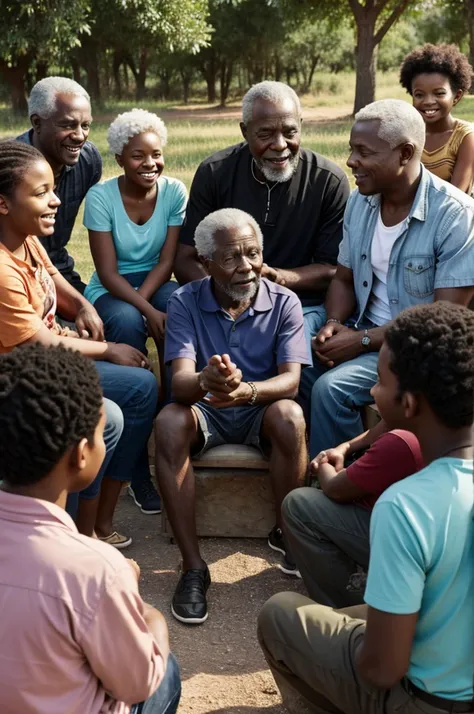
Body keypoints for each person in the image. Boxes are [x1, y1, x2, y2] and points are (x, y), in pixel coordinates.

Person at [259, 301, 474, 714]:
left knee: (281, 613)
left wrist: (363, 638)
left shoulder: (408, 505)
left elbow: (381, 670)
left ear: (408, 404)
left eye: (378, 381)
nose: (373, 392)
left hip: (427, 701)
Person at [0, 343, 181, 714]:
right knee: (166, 672)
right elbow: (136, 683)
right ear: (81, 454)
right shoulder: (98, 569)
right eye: (102, 434)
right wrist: (146, 611)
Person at [0, 140, 160, 547]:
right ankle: (69, 532)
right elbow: (38, 343)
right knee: (104, 417)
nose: (55, 201)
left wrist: (84, 305)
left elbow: (54, 278)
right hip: (17, 380)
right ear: (3, 204)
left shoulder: (26, 237)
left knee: (142, 387)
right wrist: (108, 350)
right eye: (40, 194)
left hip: (44, 365)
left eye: (53, 189)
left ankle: (100, 520)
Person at [155, 208, 309, 625]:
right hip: (206, 411)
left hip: (258, 409)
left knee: (290, 416)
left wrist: (248, 391)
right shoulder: (184, 300)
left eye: (253, 253)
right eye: (230, 258)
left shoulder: (285, 302)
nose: (246, 267)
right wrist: (208, 379)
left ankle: (289, 538)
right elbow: (180, 384)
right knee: (169, 421)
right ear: (205, 263)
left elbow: (291, 381)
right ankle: (192, 567)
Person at [303, 98, 474, 459]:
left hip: (415, 347)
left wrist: (362, 341)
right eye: (352, 149)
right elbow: (344, 279)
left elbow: (440, 322)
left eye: (363, 152)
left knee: (331, 389)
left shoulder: (454, 215)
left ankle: (344, 487)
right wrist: (334, 323)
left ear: (405, 153)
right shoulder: (360, 203)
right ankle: (297, 451)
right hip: (359, 323)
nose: (351, 161)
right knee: (296, 345)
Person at [174, 81, 350, 346]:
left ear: (301, 125)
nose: (280, 145)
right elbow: (186, 258)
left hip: (301, 304)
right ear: (245, 131)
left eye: (290, 132)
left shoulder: (328, 181)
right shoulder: (215, 173)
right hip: (222, 298)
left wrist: (278, 278)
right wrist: (228, 295)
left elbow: (333, 270)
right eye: (265, 134)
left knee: (296, 354)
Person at [282, 420, 423, 607]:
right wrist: (345, 447)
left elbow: (335, 488)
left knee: (299, 505)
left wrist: (324, 462)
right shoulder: (429, 424)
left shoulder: (402, 441)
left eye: (381, 388)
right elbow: (377, 430)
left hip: (404, 550)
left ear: (407, 402)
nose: (372, 392)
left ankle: (347, 608)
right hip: (417, 539)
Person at [84, 109, 187, 358]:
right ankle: (141, 387)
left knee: (179, 303)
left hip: (157, 279)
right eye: (138, 156)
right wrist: (146, 310)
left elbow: (167, 261)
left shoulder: (174, 192)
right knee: (126, 319)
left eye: (156, 154)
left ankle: (176, 387)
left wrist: (144, 300)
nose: (150, 164)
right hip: (111, 288)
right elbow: (108, 273)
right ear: (120, 159)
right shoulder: (100, 197)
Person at [17, 76, 102, 297]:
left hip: (60, 273)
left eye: (85, 125)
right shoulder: (8, 168)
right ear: (37, 123)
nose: (79, 136)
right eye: (68, 125)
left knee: (111, 322)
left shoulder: (88, 160)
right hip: (15, 277)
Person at [400, 43, 474, 194]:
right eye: (419, 95)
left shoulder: (466, 137)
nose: (428, 101)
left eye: (439, 93)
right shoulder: (407, 134)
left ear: (457, 96)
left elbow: (457, 198)